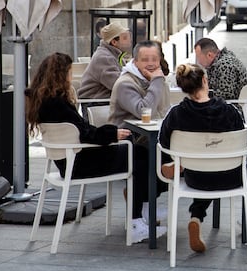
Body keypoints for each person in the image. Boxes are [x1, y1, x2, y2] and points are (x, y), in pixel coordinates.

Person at [25, 53, 166, 244]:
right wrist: (112, 134)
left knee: (138, 152)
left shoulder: (43, 102)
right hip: (81, 163)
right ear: (60, 75)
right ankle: (136, 221)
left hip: (66, 162)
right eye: (68, 72)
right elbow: (85, 134)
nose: (70, 76)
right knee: (142, 155)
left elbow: (80, 131)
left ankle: (141, 214)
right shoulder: (59, 103)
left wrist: (111, 133)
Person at [158, 63, 245, 253]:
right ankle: (198, 217)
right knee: (232, 167)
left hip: (195, 178)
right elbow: (244, 141)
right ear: (205, 80)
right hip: (230, 177)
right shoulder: (229, 111)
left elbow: (163, 143)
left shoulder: (176, 114)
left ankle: (195, 214)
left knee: (201, 169)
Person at [109, 40, 170, 127]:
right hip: (131, 137)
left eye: (154, 59)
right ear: (135, 62)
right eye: (145, 60)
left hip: (156, 135)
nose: (151, 64)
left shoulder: (159, 81)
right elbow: (144, 112)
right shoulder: (124, 84)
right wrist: (156, 81)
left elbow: (164, 112)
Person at [78, 22, 132, 118]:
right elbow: (119, 85)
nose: (129, 41)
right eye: (125, 38)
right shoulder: (104, 57)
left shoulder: (116, 55)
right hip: (95, 105)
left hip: (106, 103)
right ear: (114, 42)